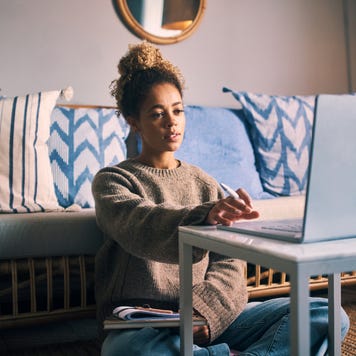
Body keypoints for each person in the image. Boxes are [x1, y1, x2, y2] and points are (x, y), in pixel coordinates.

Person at [92, 42, 349, 356]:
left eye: (178, 110)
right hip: (145, 324)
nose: (172, 122)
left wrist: (204, 314)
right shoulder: (113, 180)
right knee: (128, 350)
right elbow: (142, 225)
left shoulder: (205, 183)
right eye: (158, 114)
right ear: (133, 121)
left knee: (327, 314)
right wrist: (205, 215)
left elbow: (229, 265)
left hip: (207, 318)